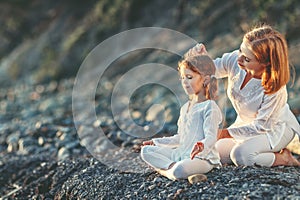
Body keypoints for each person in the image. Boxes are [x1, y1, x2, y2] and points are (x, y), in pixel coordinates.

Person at [187, 24, 300, 167]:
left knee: (241, 156)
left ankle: (283, 158)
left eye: (247, 59)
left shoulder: (275, 89)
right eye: (241, 49)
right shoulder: (237, 60)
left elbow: (261, 126)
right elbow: (213, 69)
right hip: (245, 126)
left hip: (273, 129)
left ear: (266, 64)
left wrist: (223, 133)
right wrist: (201, 59)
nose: (239, 59)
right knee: (215, 153)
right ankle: (257, 151)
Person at [140, 55, 223, 180]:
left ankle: (167, 171)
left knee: (180, 170)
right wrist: (156, 142)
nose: (184, 82)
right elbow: (180, 138)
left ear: (205, 80)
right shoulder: (185, 107)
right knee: (146, 151)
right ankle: (171, 168)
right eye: (182, 78)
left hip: (201, 158)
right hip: (180, 153)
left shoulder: (209, 106)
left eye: (189, 77)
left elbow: (211, 137)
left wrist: (202, 145)